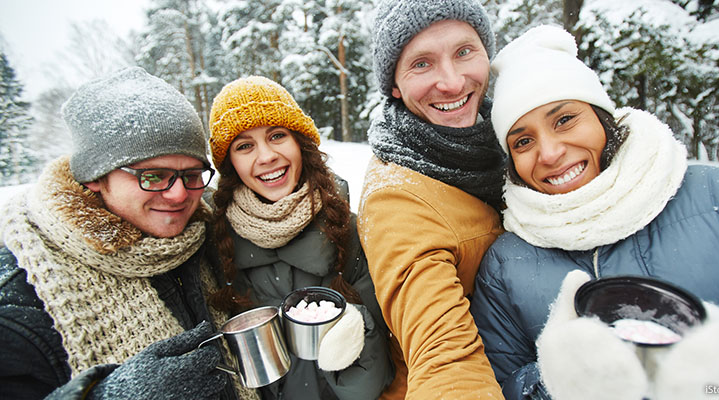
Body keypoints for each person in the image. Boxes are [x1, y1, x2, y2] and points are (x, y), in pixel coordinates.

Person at [470, 25, 719, 400]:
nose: (549, 153)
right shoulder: (506, 265)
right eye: (523, 141)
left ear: (602, 118)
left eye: (564, 120)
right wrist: (551, 382)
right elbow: (495, 385)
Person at [0, 67, 260, 399]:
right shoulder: (22, 300)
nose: (179, 195)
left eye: (193, 174)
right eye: (153, 176)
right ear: (95, 176)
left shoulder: (207, 234)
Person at [207, 75, 394, 400]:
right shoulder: (216, 239)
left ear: (300, 143)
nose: (265, 156)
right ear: (230, 164)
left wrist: (357, 329)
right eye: (244, 146)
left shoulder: (349, 230)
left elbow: (375, 380)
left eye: (277, 136)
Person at [357, 0, 507, 398]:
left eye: (464, 52)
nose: (453, 82)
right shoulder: (395, 197)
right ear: (394, 84)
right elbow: (442, 351)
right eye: (421, 64)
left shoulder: (515, 136)